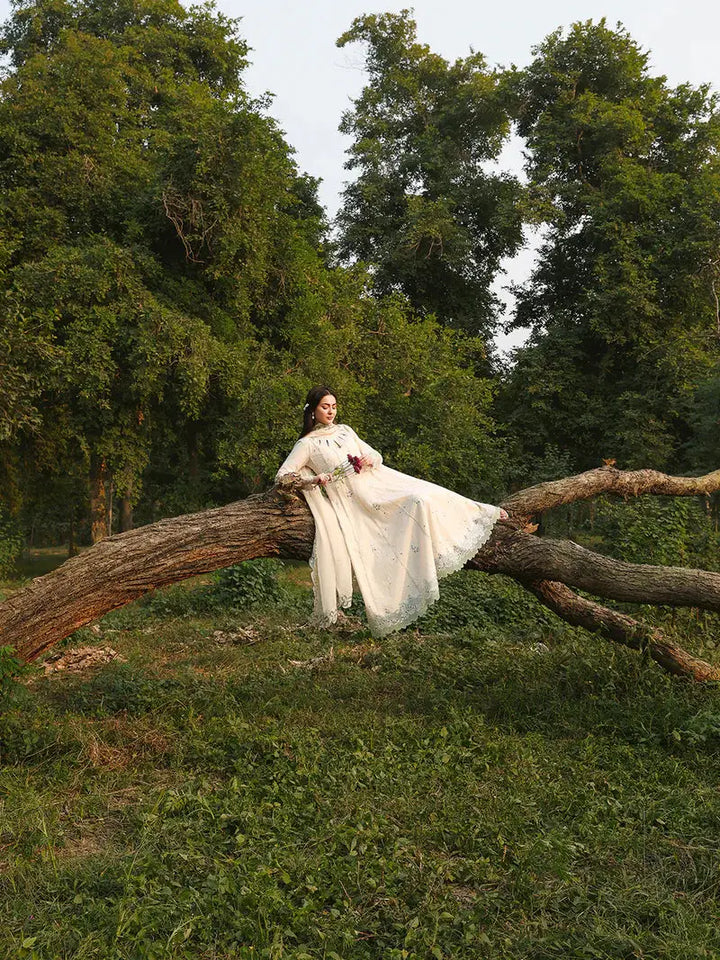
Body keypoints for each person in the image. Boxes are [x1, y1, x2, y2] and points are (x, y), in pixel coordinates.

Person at [275, 385, 508, 637]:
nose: (331, 412)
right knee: (416, 501)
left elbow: (374, 453)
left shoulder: (346, 431)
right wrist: (314, 479)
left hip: (377, 483)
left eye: (334, 406)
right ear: (313, 410)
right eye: (325, 407)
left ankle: (481, 513)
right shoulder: (307, 444)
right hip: (354, 501)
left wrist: (369, 459)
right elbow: (283, 476)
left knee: (425, 494)